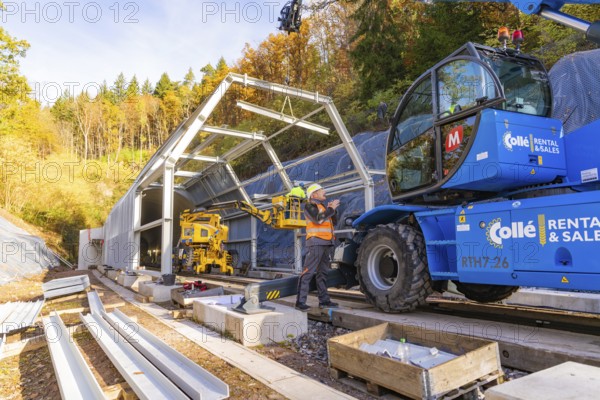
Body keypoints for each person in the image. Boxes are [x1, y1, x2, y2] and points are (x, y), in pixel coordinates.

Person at [295, 183, 340, 311]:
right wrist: (330, 210)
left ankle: (324, 301)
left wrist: (332, 209)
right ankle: (300, 302)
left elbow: (334, 221)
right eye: (321, 190)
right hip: (316, 243)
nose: (324, 191)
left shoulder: (323, 207)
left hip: (326, 243)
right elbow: (318, 220)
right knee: (308, 272)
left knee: (323, 273)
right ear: (314, 194)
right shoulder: (310, 206)